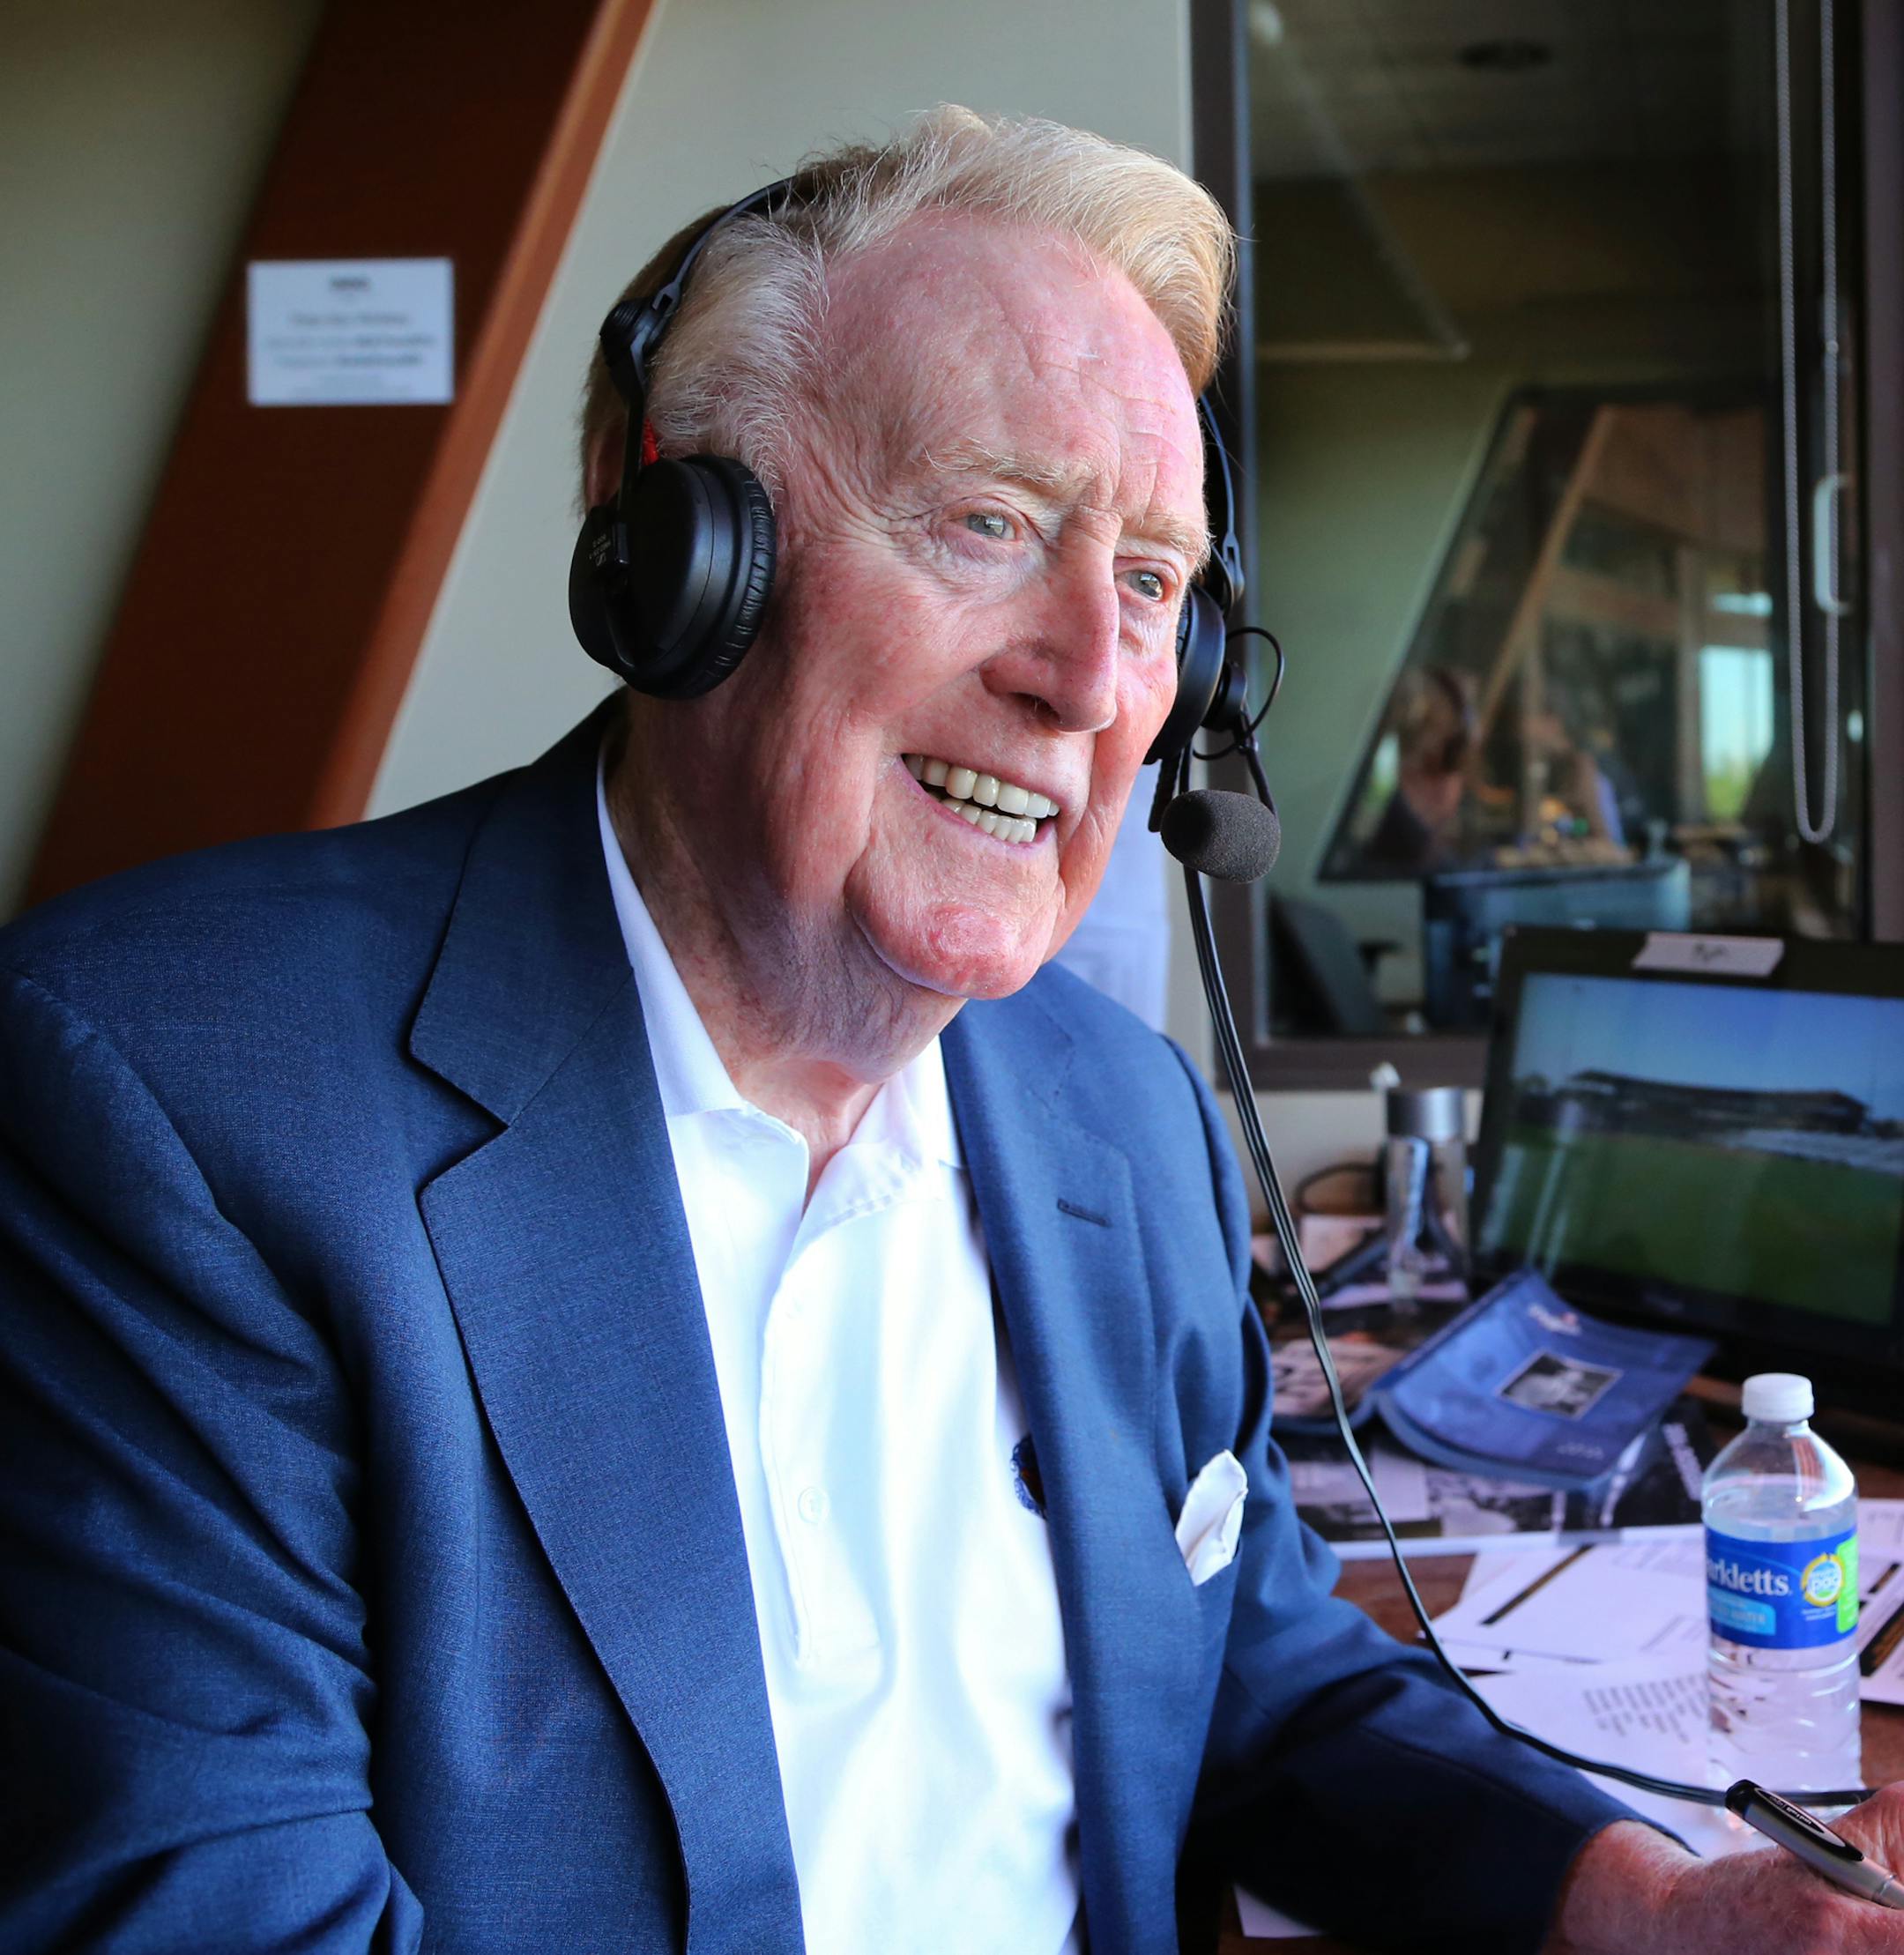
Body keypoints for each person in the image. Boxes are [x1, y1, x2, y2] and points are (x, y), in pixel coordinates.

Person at [2, 105, 1900, 1955]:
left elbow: (1254, 1666)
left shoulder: (1118, 1118)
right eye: (991, 523)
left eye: (1152, 585)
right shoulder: (174, 1099)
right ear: (680, 561)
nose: (1087, 677)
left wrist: (1645, 1902)